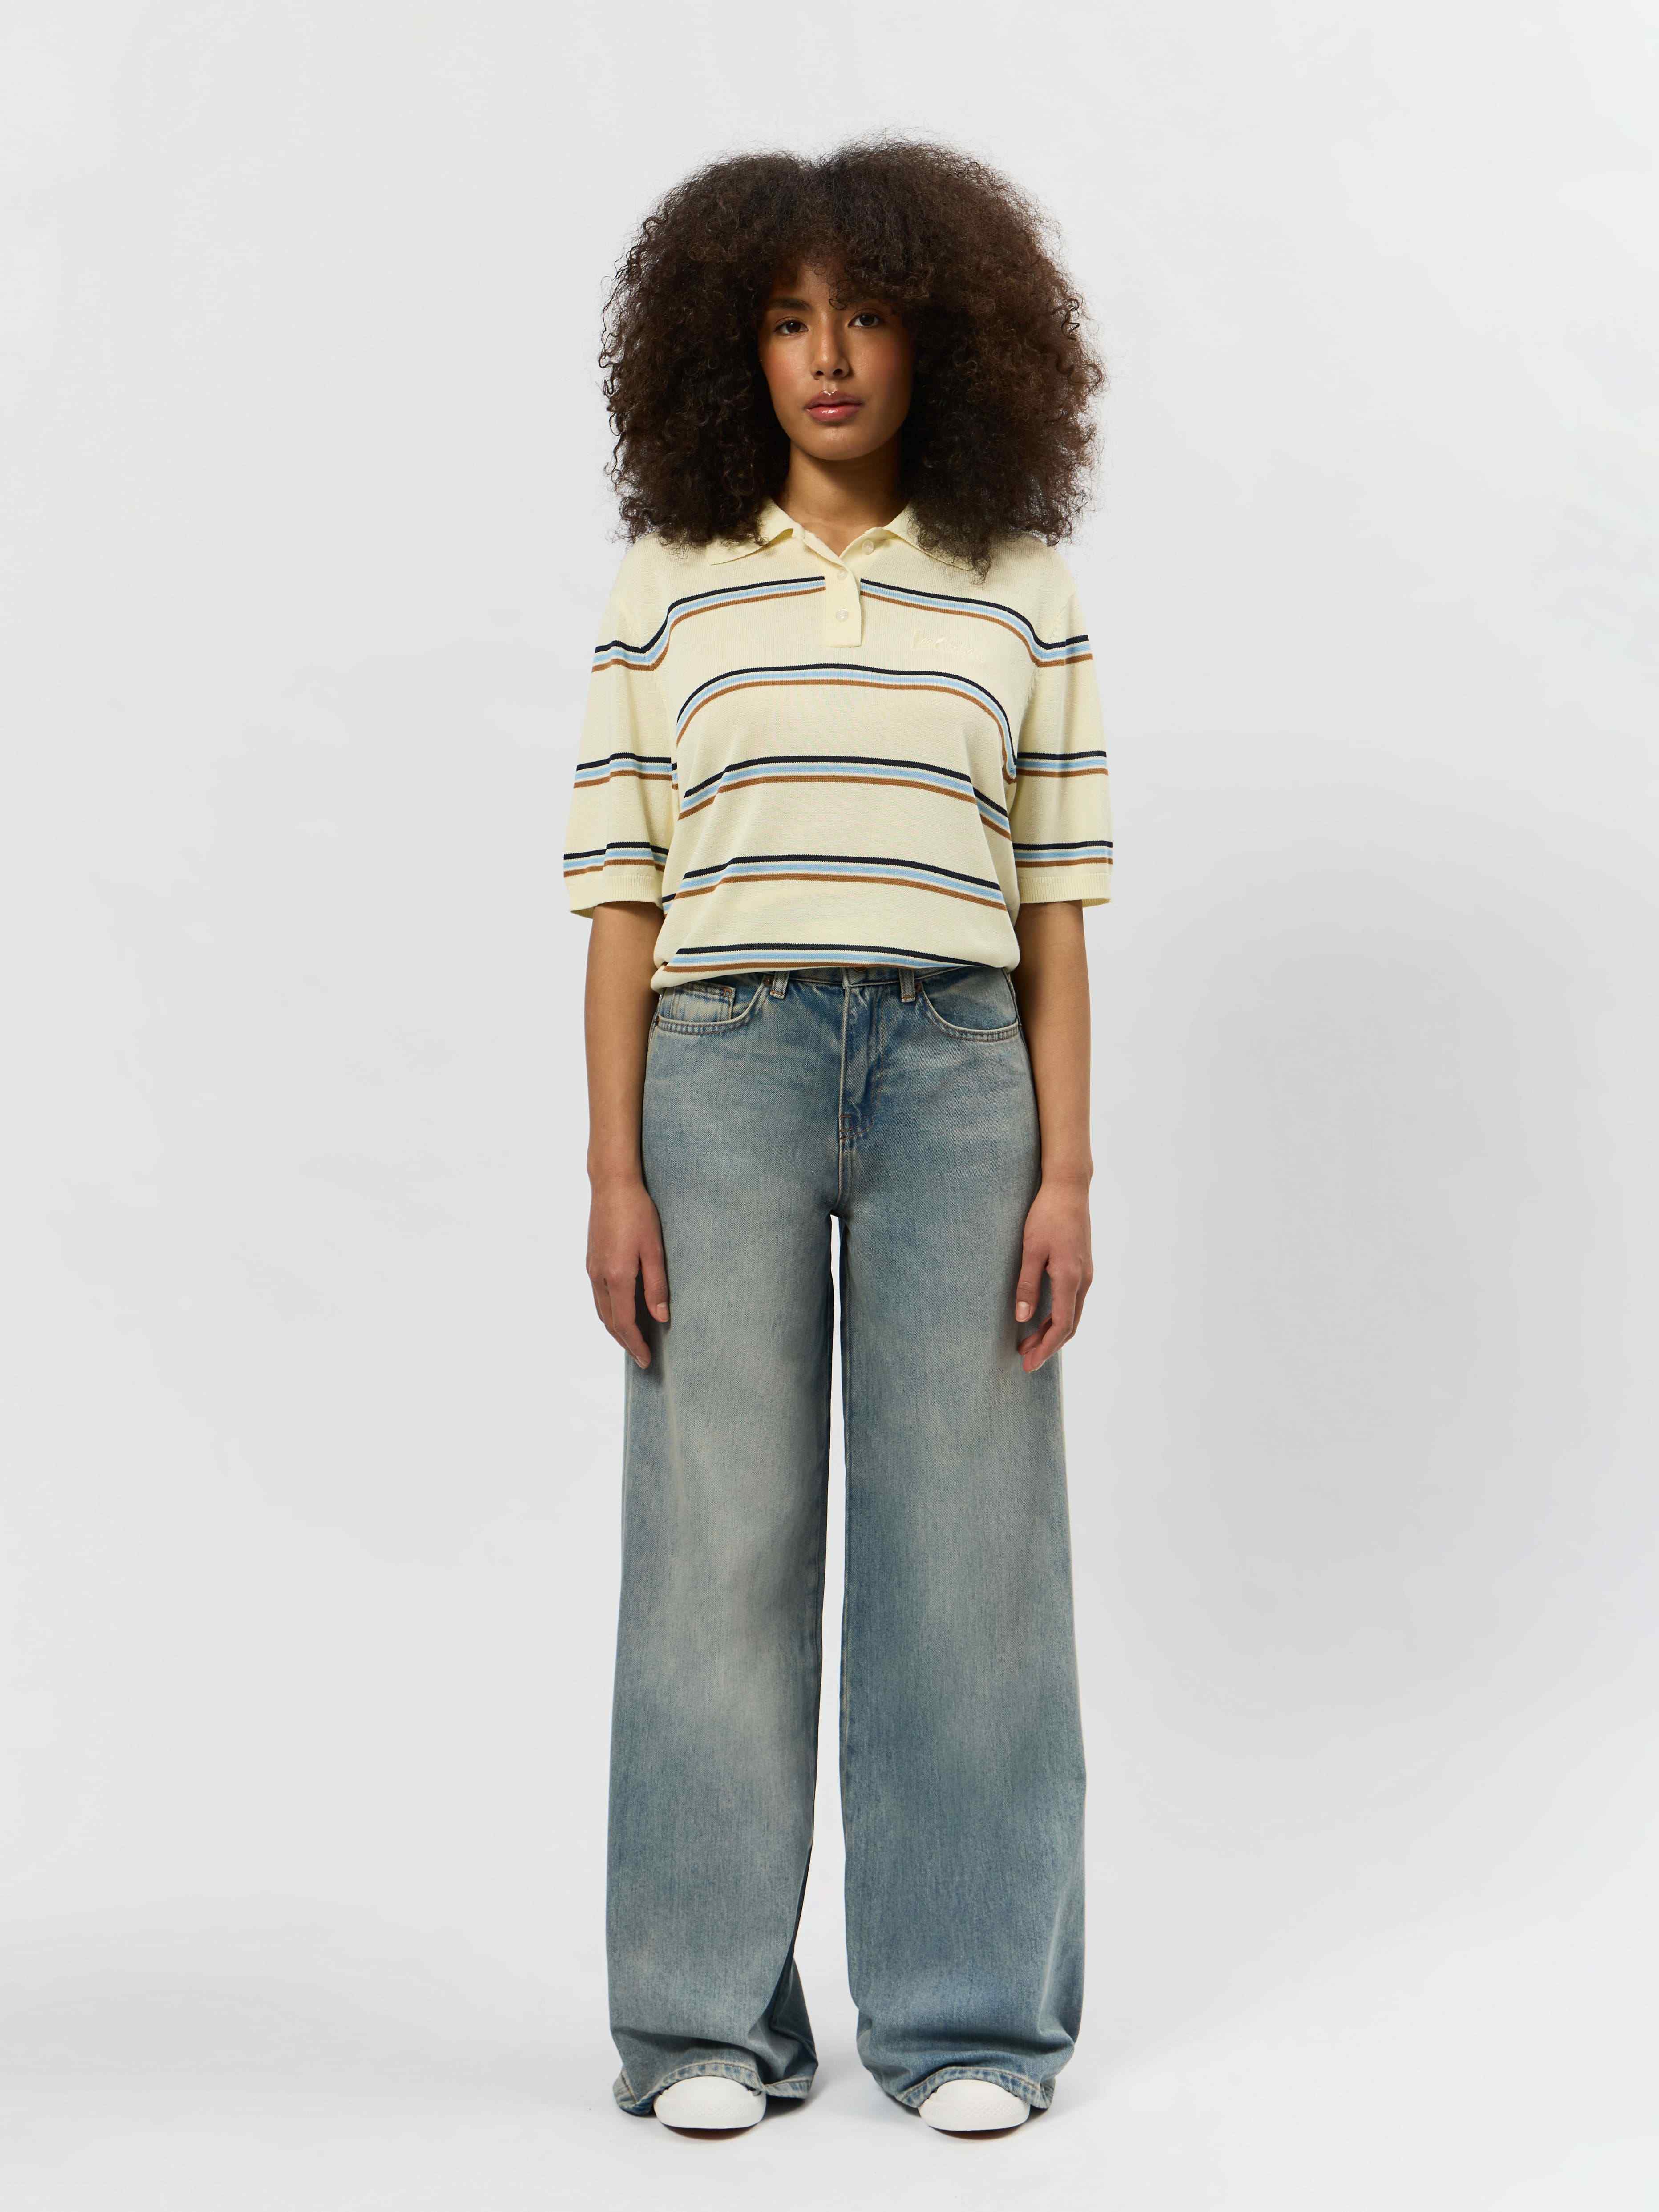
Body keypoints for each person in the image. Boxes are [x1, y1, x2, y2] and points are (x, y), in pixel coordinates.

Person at [562, 135, 1112, 2137]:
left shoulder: (1020, 588)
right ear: (732, 349)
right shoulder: (669, 585)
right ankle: (702, 2020)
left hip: (964, 1076)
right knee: (715, 1543)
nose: (826, 356)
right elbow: (623, 894)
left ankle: (969, 2020)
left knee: (967, 1547)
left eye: (866, 315)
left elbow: (1053, 900)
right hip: (719, 1070)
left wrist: (1068, 1171)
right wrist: (611, 1171)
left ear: (939, 340)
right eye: (789, 320)